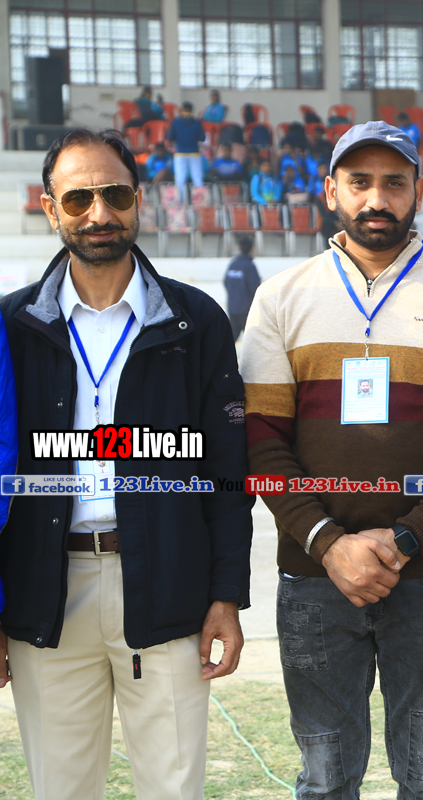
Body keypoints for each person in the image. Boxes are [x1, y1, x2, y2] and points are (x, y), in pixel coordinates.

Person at [241, 121, 423, 799]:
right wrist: (328, 543)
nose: (377, 198)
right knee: (325, 778)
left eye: (394, 183)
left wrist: (405, 540)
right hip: (314, 576)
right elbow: (261, 443)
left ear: (417, 192)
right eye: (360, 182)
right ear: (330, 191)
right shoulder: (281, 297)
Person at [0, 127, 252, 799]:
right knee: (61, 790)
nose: (99, 213)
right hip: (44, 593)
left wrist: (227, 594)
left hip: (168, 585)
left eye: (114, 195)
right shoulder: (12, 326)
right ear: (49, 209)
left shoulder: (196, 320)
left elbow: (227, 472)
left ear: (139, 199)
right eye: (77, 198)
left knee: (174, 788)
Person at [167, 101, 206, 203]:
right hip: (194, 153)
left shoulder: (176, 122)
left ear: (182, 110)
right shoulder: (197, 122)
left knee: (180, 179)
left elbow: (170, 137)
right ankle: (200, 202)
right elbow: (202, 138)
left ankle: (180, 203)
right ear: (191, 110)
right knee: (197, 179)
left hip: (180, 153)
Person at [223, 235, 261, 340]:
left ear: (238, 248)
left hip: (233, 308)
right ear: (252, 249)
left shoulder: (233, 264)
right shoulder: (250, 266)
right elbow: (255, 288)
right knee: (253, 340)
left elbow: (226, 282)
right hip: (246, 310)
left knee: (230, 340)